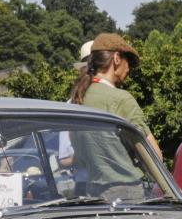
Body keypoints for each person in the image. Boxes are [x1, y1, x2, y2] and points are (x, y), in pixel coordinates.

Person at [68, 33, 163, 201]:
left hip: (92, 193)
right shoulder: (121, 99)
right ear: (117, 58)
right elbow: (154, 157)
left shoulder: (77, 100)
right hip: (127, 194)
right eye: (129, 62)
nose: (130, 69)